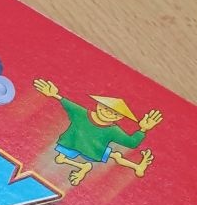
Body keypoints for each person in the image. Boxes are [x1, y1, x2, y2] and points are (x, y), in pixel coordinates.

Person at [33, 79, 162, 186]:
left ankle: (134, 167)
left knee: (113, 156)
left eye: (114, 114)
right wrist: (54, 95)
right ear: (98, 105)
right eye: (106, 108)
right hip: (75, 144)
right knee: (113, 156)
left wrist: (143, 129)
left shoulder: (113, 130)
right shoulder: (82, 113)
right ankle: (85, 167)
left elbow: (131, 143)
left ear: (120, 117)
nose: (108, 113)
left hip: (92, 151)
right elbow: (68, 104)